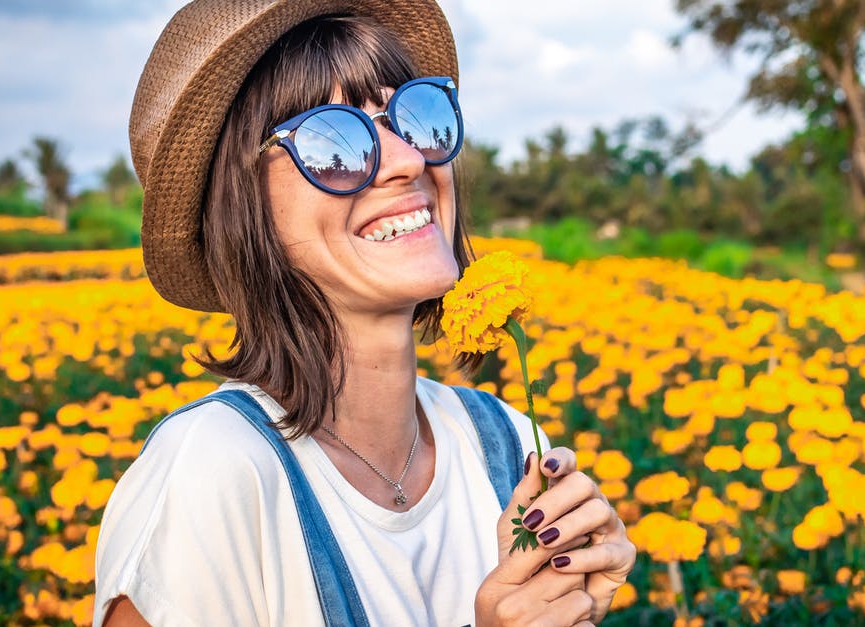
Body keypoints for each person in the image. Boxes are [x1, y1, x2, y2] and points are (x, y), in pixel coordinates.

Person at [93, 1, 636, 625]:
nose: (408, 160)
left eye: (415, 115)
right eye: (334, 142)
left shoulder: (508, 442)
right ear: (242, 209)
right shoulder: (214, 473)